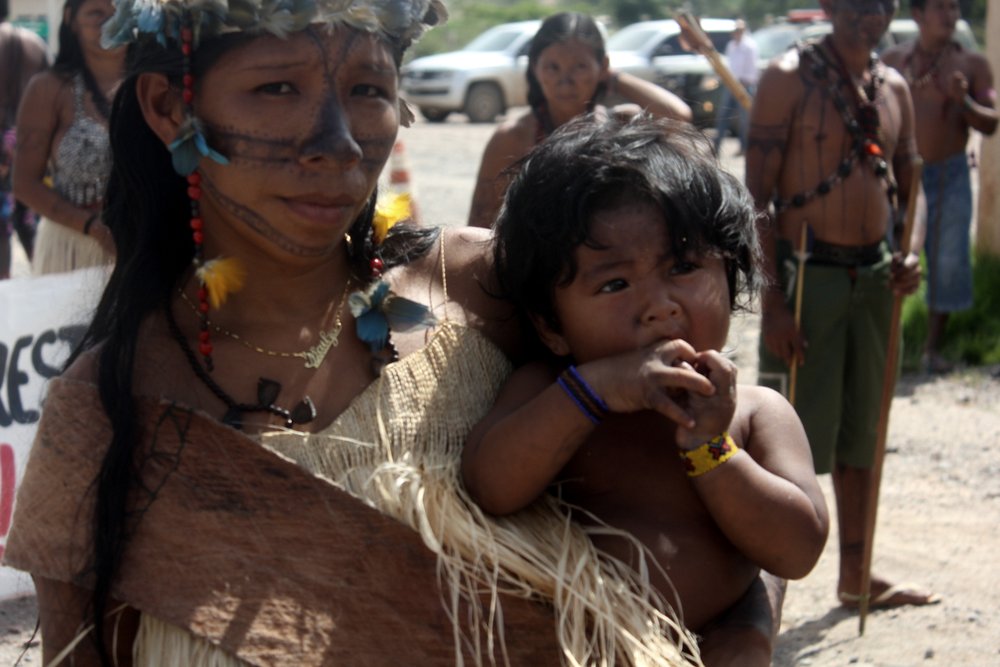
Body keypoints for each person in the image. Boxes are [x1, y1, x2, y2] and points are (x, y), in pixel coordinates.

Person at [0, 0, 780, 664]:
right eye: (277, 87)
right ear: (172, 107)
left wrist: (742, 637)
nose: (336, 142)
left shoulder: (486, 291)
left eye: (368, 88)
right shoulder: (109, 409)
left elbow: (708, 517)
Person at [463, 113, 829, 666]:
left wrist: (710, 449)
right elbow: (489, 486)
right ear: (551, 327)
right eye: (615, 283)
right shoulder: (552, 392)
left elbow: (797, 551)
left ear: (729, 277)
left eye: (683, 266)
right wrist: (594, 390)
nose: (660, 305)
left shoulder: (755, 414)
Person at [747, 0, 937, 611]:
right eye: (855, 2)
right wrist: (773, 303)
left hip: (877, 279)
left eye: (881, 3)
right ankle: (757, 592)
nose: (869, 14)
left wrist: (909, 253)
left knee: (866, 434)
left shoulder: (895, 87)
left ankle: (857, 579)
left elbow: (913, 187)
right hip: (807, 278)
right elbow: (755, 197)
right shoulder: (786, 78)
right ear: (829, 6)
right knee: (787, 440)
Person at [467, 11, 692, 229]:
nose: (565, 81)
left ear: (603, 66)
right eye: (552, 68)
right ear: (535, 68)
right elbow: (480, 221)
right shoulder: (513, 138)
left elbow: (678, 116)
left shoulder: (620, 125)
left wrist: (615, 78)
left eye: (580, 67)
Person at [882, 0, 998, 374]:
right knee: (888, 256)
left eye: (954, 8)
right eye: (941, 7)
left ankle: (931, 348)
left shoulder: (972, 65)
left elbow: (991, 122)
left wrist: (962, 101)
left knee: (948, 260)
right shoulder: (893, 61)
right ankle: (885, 344)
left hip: (950, 175)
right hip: (898, 177)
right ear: (917, 15)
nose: (951, 15)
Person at [12, 0, 124, 274]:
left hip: (144, 247)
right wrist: (92, 228)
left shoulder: (157, 85)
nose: (110, 22)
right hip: (72, 250)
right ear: (71, 18)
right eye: (96, 12)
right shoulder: (49, 89)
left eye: (120, 12)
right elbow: (24, 183)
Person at [0, 0, 48, 279]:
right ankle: (43, 279)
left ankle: (4, 291)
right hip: (31, 143)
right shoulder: (35, 44)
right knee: (30, 222)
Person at [712, 18, 758, 156]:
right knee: (723, 116)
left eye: (739, 30)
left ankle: (744, 147)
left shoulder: (750, 46)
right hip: (731, 85)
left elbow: (752, 68)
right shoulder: (731, 45)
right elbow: (729, 65)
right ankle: (716, 146)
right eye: (735, 30)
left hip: (744, 86)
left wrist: (746, 81)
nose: (736, 33)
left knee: (744, 120)